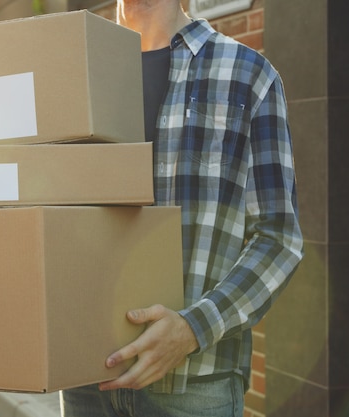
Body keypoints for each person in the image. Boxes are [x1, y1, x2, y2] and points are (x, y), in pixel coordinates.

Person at [60, 1, 304, 416]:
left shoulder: (247, 75)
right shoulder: (72, 75)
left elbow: (279, 238)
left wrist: (193, 328)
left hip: (195, 385)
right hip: (85, 377)